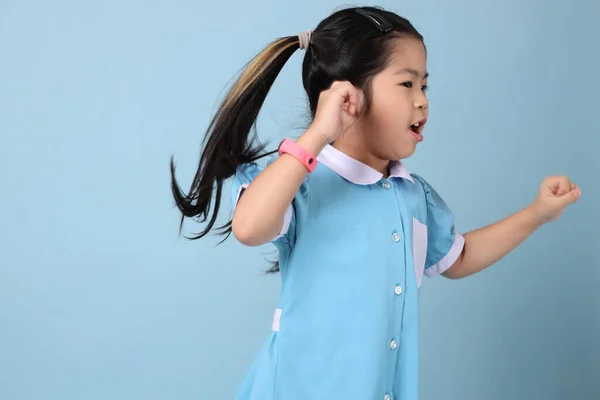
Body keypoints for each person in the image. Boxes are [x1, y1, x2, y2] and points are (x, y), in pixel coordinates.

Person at [170, 6, 581, 400]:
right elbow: (249, 227)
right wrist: (317, 134)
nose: (423, 100)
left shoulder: (413, 195)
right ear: (347, 97)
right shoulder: (300, 182)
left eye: (425, 85)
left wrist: (537, 214)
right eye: (407, 84)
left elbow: (459, 256)